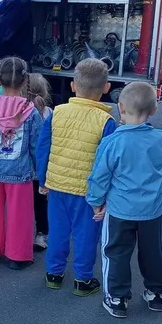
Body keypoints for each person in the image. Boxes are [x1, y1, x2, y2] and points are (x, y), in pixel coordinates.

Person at [87, 82, 162, 318]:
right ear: (154, 110)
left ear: (120, 107)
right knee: (154, 252)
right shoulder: (159, 138)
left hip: (120, 210)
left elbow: (100, 176)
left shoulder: (113, 142)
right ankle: (156, 293)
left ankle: (117, 297)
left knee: (115, 252)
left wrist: (96, 201)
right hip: (153, 210)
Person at [36, 58, 116, 296]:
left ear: (73, 86)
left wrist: (43, 181)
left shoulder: (57, 113)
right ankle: (83, 279)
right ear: (106, 88)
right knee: (85, 235)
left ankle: (54, 273)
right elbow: (107, 163)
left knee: (58, 231)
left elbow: (43, 149)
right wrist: (104, 194)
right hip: (87, 191)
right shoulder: (106, 122)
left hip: (57, 185)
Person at [0, 57, 42, 269]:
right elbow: (36, 144)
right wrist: (37, 168)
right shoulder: (31, 111)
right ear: (24, 81)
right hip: (20, 172)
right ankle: (17, 256)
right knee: (19, 214)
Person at [27, 73, 53, 251]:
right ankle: (42, 234)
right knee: (41, 204)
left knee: (21, 205)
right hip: (43, 170)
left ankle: (22, 233)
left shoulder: (23, 112)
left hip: (24, 168)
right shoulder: (51, 113)